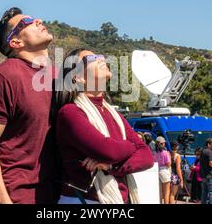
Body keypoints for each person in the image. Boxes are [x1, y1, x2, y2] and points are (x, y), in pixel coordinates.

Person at [0, 7, 59, 204]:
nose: (38, 20)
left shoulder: (58, 76)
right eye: (28, 22)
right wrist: (2, 199)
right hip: (19, 195)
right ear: (16, 42)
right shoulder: (5, 77)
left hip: (59, 193)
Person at [54, 49, 154, 204]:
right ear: (78, 77)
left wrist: (110, 167)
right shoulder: (70, 113)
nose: (101, 59)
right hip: (85, 199)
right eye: (92, 58)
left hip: (116, 199)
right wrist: (132, 146)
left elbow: (147, 156)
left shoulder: (113, 113)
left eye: (100, 55)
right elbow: (108, 151)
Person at [154, 136, 171, 204]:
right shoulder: (165, 153)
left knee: (160, 192)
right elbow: (168, 164)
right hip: (164, 171)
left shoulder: (155, 153)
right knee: (166, 192)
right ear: (163, 144)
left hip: (157, 171)